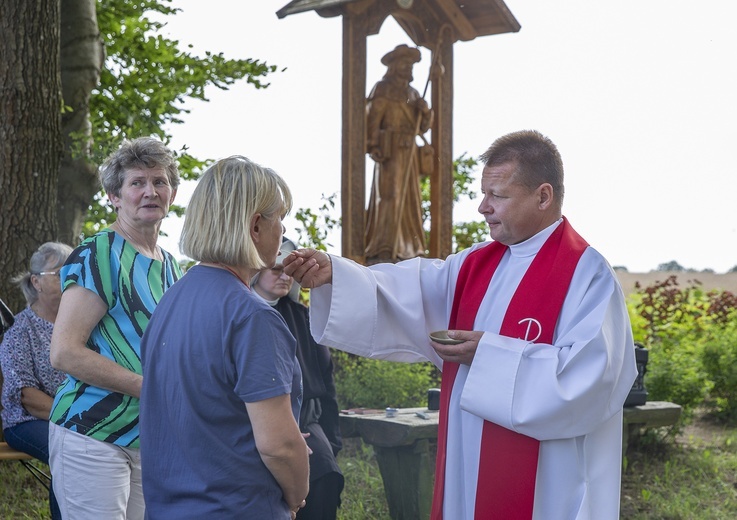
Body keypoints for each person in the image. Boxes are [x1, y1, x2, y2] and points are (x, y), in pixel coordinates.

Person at [284, 130, 638, 520]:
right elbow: (408, 292)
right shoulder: (474, 265)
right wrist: (337, 273)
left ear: (543, 196)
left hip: (547, 485)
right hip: (470, 464)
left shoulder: (586, 275)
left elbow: (591, 380)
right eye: (484, 194)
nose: (483, 207)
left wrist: (487, 354)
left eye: (498, 195)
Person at [139, 156, 309, 519]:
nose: (282, 231)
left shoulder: (170, 300)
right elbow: (278, 445)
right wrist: (296, 496)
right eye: (279, 218)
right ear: (254, 227)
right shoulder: (253, 317)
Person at [48, 137, 181, 520]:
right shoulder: (98, 253)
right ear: (114, 196)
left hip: (149, 436)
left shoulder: (171, 265)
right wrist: (149, 388)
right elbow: (65, 352)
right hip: (91, 431)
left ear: (172, 193)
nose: (150, 191)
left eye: (159, 181)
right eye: (137, 183)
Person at [252, 237, 344, 520]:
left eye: (289, 272)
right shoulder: (239, 313)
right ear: (256, 269)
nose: (284, 277)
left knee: (323, 479)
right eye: (276, 269)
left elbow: (325, 382)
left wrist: (331, 438)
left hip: (307, 420)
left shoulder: (302, 317)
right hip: (255, 425)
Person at [1, 241, 73, 520]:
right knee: (67, 454)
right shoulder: (19, 329)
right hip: (26, 422)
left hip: (74, 421)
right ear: (36, 282)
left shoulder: (80, 324)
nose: (70, 278)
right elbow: (27, 398)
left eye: (73, 271)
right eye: (60, 273)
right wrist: (77, 417)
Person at [364, 44, 434, 264]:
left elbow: (421, 128)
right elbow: (373, 118)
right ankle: (385, 244)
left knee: (410, 199)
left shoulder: (413, 93)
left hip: (409, 152)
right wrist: (373, 144)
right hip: (391, 150)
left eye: (411, 65)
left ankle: (410, 246)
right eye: (405, 64)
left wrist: (424, 112)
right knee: (390, 195)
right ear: (395, 66)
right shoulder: (383, 88)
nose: (409, 68)